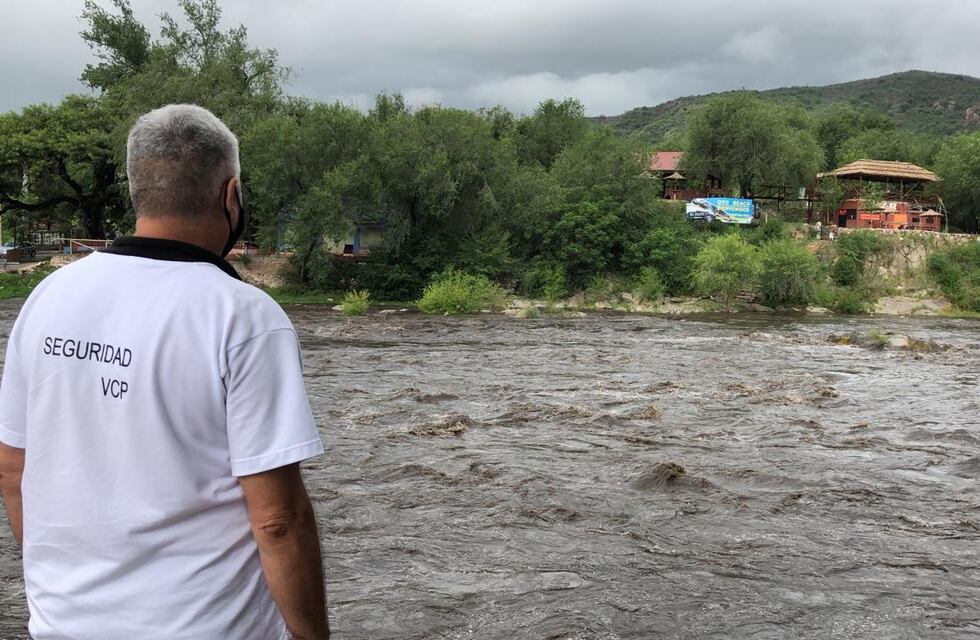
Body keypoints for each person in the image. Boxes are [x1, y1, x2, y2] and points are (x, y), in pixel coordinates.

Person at [0, 104, 328, 639]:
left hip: (62, 624)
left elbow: (13, 470)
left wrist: (64, 594)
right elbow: (278, 520)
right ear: (231, 195)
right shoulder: (243, 315)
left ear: (138, 191)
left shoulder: (48, 297)